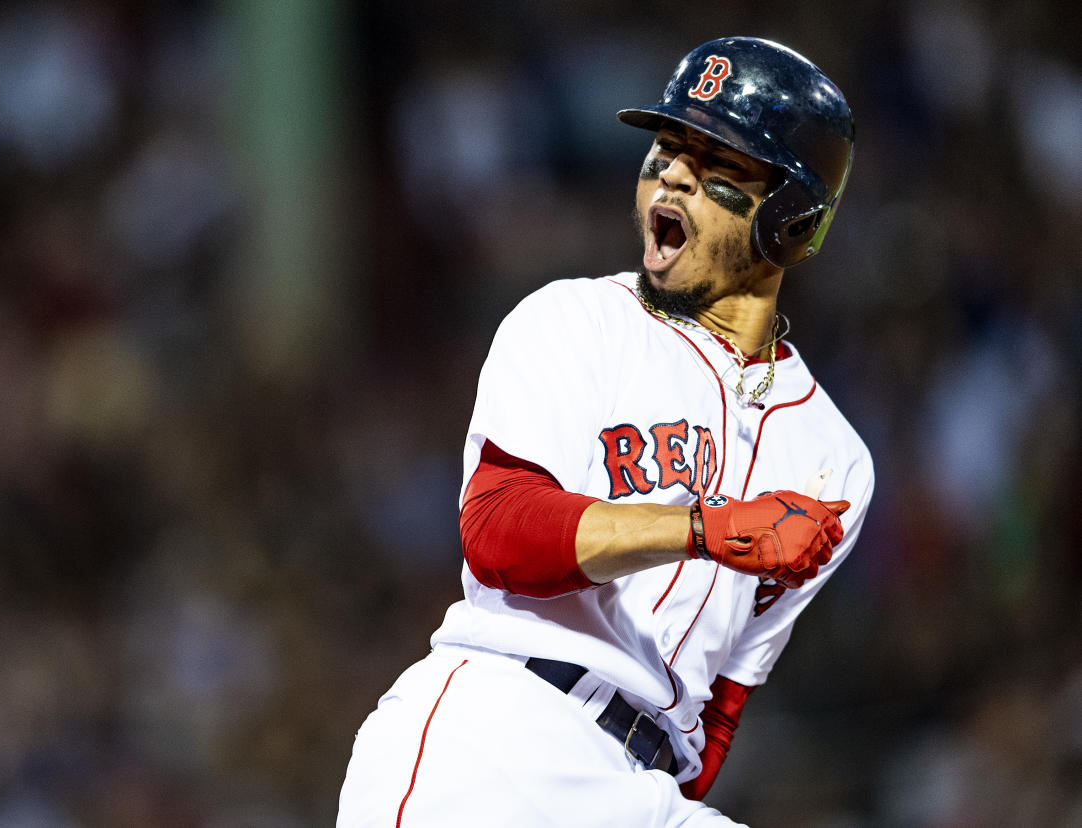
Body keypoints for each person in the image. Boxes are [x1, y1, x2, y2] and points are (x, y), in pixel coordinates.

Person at [338, 36, 873, 827]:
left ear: (791, 220)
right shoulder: (576, 320)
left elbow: (717, 710)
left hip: (638, 788)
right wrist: (706, 528)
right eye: (666, 147)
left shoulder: (836, 460)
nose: (673, 173)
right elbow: (499, 533)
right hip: (500, 735)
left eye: (717, 163)